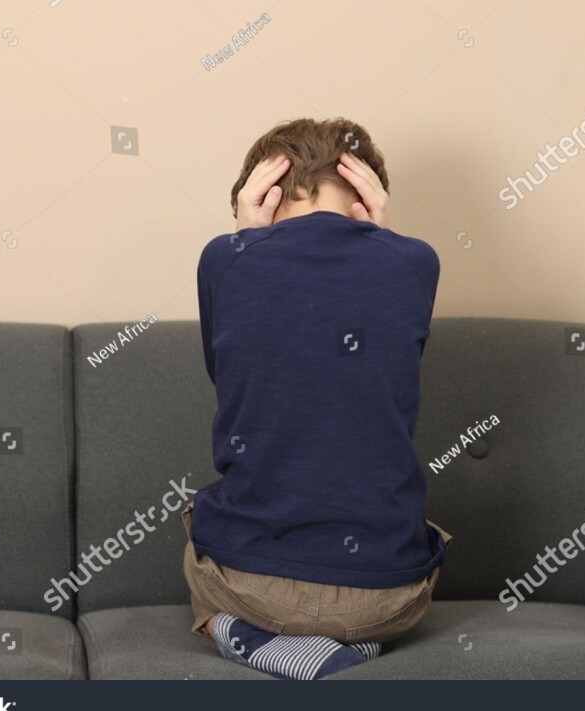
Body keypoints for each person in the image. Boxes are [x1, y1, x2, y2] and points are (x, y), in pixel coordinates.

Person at [183, 117, 452, 680]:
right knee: (423, 537)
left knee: (197, 528)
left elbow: (226, 375)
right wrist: (387, 240)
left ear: (264, 194)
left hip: (251, 588)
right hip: (388, 597)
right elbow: (384, 371)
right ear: (365, 195)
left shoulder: (224, 258)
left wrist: (243, 237)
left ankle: (240, 633)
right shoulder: (416, 261)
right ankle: (358, 642)